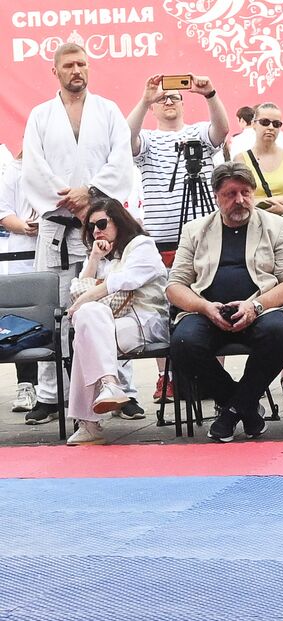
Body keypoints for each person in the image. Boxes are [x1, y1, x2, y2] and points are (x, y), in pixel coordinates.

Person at [21, 41, 139, 427]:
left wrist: (89, 192)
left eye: (83, 64)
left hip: (100, 223)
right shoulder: (40, 115)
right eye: (70, 65)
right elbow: (34, 168)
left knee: (111, 304)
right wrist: (69, 198)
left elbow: (121, 159)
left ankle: (121, 388)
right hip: (57, 225)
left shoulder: (107, 112)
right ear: (54, 71)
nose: (78, 70)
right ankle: (50, 394)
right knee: (54, 311)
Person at [166, 161, 283, 441]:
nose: (240, 200)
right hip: (208, 310)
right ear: (217, 197)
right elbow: (175, 286)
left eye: (245, 192)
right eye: (230, 194)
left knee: (279, 334)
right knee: (183, 343)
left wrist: (255, 306)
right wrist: (204, 307)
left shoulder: (277, 227)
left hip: (260, 308)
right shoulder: (195, 230)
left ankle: (231, 412)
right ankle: (245, 406)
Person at [63, 196, 169, 445]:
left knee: (85, 331)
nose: (96, 231)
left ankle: (89, 425)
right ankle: (110, 383)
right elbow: (77, 290)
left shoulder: (142, 245)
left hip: (145, 321)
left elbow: (124, 282)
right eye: (90, 227)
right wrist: (94, 259)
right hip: (109, 324)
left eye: (101, 224)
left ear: (119, 221)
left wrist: (84, 299)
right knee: (88, 320)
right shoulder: (104, 256)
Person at [126, 73, 229, 247]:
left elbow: (222, 129)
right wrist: (145, 101)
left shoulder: (199, 132)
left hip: (204, 235)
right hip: (161, 237)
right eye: (161, 99)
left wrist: (210, 94)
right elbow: (126, 138)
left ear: (183, 103)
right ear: (152, 108)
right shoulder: (147, 139)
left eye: (174, 97)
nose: (168, 102)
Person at [1, 151, 41, 413]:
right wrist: (24, 226)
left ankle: (68, 387)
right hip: (21, 254)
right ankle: (26, 384)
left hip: (61, 249)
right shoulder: (13, 170)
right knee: (23, 319)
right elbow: (4, 212)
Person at [236, 103, 283, 224]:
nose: (271, 127)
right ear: (254, 124)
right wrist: (280, 199)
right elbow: (239, 200)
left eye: (276, 124)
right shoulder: (241, 159)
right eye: (265, 122)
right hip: (254, 226)